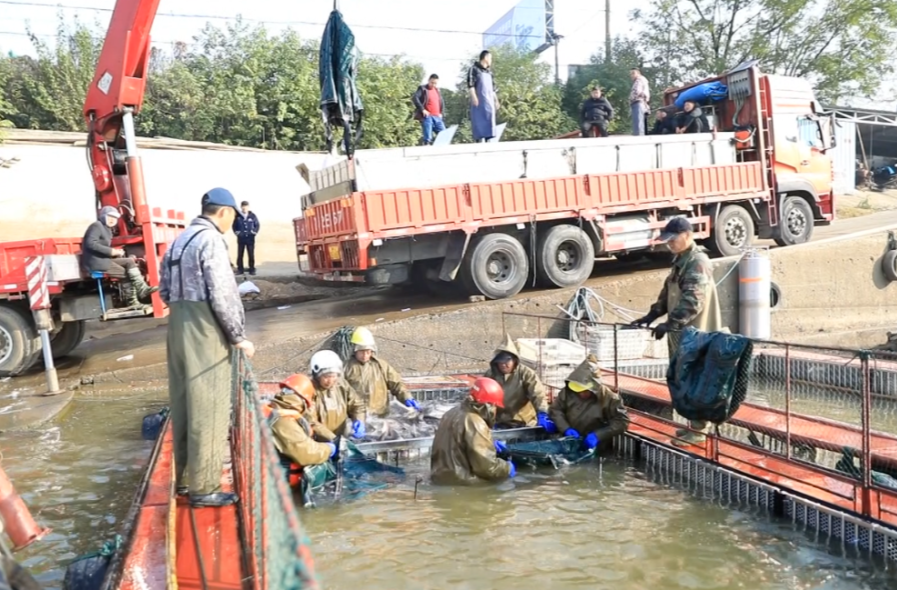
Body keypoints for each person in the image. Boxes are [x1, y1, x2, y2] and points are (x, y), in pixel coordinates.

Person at [160, 187, 255, 507]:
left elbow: (163, 290)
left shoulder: (178, 241)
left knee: (185, 403)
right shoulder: (211, 240)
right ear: (224, 212)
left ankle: (185, 480)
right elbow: (223, 294)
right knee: (209, 405)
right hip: (205, 330)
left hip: (177, 328)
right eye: (232, 216)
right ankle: (205, 488)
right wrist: (238, 336)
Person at [630, 217, 722, 446]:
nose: (669, 243)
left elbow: (693, 301)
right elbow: (668, 293)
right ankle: (693, 425)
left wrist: (670, 323)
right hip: (682, 334)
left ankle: (699, 430)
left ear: (687, 235)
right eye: (667, 240)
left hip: (697, 334)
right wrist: (651, 315)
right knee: (683, 378)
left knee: (696, 379)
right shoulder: (680, 260)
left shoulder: (698, 262)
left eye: (673, 239)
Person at [430, 377, 516, 485]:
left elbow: (457, 445)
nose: (495, 410)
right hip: (463, 483)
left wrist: (488, 445)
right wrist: (507, 468)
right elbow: (486, 467)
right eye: (495, 406)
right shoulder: (475, 422)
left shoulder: (452, 412)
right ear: (488, 405)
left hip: (440, 477)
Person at [265, 373, 338, 488]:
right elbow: (306, 452)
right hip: (278, 485)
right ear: (303, 400)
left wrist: (334, 439)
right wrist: (329, 449)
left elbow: (311, 423)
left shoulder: (276, 408)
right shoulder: (283, 420)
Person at [80, 206, 158, 309]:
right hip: (96, 261)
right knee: (125, 274)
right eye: (110, 217)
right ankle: (133, 303)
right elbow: (90, 243)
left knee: (129, 262)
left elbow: (102, 246)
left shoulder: (107, 229)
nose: (113, 220)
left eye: (115, 218)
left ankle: (142, 289)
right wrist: (111, 251)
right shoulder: (96, 226)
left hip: (104, 259)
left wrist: (116, 252)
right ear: (103, 216)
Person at [549, 355, 629, 452]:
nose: (581, 393)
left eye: (584, 390)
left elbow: (622, 421)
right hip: (568, 442)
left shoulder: (610, 398)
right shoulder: (567, 393)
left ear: (594, 387)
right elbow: (555, 410)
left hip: (597, 446)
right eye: (578, 390)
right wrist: (566, 428)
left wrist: (598, 435)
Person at [343, 327, 421, 416]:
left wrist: (406, 397)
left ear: (372, 350)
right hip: (356, 417)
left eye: (368, 352)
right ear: (354, 350)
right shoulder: (345, 368)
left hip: (381, 416)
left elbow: (396, 384)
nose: (365, 355)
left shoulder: (382, 366)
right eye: (361, 352)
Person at [483, 334, 555, 432]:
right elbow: (482, 399)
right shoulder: (490, 375)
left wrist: (543, 413)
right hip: (499, 424)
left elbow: (538, 395)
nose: (503, 364)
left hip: (524, 423)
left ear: (514, 360)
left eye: (507, 361)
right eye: (500, 361)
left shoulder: (526, 373)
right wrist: (486, 421)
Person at [308, 349, 367, 441]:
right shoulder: (310, 390)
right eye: (326, 377)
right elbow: (311, 421)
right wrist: (332, 439)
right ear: (317, 375)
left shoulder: (342, 385)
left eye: (334, 376)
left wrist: (359, 420)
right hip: (318, 443)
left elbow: (357, 405)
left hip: (340, 437)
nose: (330, 381)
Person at [467, 50, 499, 143]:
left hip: (489, 103)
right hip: (479, 102)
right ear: (485, 58)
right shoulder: (474, 69)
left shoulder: (490, 72)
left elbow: (493, 89)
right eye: (490, 58)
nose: (491, 60)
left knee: (489, 126)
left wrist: (496, 100)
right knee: (479, 125)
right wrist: (474, 97)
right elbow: (471, 85)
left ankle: (488, 143)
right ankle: (479, 142)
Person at [412, 74, 447, 146]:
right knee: (428, 137)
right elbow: (415, 98)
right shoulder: (423, 89)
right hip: (428, 116)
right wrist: (422, 109)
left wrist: (441, 113)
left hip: (437, 116)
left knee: (444, 134)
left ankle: (440, 148)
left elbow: (441, 102)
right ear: (428, 80)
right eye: (432, 82)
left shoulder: (437, 90)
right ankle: (426, 145)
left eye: (435, 83)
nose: (433, 85)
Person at [232, 200, 260, 276]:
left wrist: (254, 232)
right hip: (241, 238)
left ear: (248, 207)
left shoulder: (252, 216)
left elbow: (257, 225)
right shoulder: (238, 216)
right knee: (240, 254)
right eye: (243, 206)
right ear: (241, 207)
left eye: (246, 206)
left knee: (251, 254)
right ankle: (240, 269)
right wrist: (237, 233)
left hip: (250, 238)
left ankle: (252, 269)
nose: (244, 208)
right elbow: (234, 226)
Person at [629, 68, 650, 136]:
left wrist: (631, 99)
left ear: (638, 73)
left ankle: (639, 137)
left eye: (633, 73)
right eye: (631, 74)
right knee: (639, 123)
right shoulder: (642, 80)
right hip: (641, 102)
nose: (631, 75)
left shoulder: (639, 80)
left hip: (638, 102)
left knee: (638, 123)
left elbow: (637, 91)